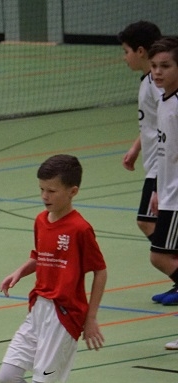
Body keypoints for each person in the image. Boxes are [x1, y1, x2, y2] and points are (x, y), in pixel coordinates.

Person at [0, 155, 107, 383]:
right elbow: (40, 255)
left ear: (72, 192)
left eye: (52, 191)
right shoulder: (41, 220)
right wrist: (20, 271)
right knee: (8, 377)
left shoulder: (80, 229)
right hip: (39, 310)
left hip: (64, 315)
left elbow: (100, 271)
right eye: (41, 189)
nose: (45, 196)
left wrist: (91, 318)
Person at [118, 23, 170, 304]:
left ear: (140, 51)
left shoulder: (157, 85)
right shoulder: (148, 82)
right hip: (155, 163)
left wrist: (161, 180)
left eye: (126, 51)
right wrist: (136, 148)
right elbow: (152, 122)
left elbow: (167, 124)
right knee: (151, 223)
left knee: (147, 222)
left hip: (162, 167)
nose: (124, 57)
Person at [148, 37, 178, 349]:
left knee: (159, 256)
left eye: (165, 66)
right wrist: (157, 189)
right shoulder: (164, 100)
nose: (157, 72)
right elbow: (164, 150)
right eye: (154, 66)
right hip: (168, 194)